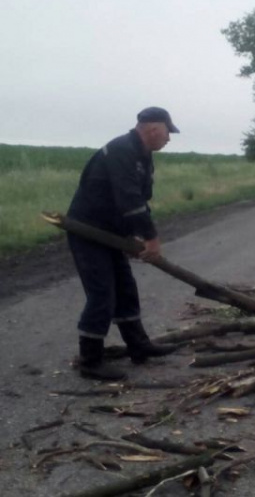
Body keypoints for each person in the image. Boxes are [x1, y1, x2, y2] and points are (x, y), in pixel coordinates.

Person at [67, 107, 179, 380]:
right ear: (153, 129)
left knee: (125, 288)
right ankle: (90, 361)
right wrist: (151, 239)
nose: (169, 139)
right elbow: (128, 200)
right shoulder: (121, 150)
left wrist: (136, 235)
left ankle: (138, 347)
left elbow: (140, 201)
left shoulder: (143, 154)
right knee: (102, 294)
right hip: (88, 232)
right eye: (167, 133)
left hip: (111, 233)